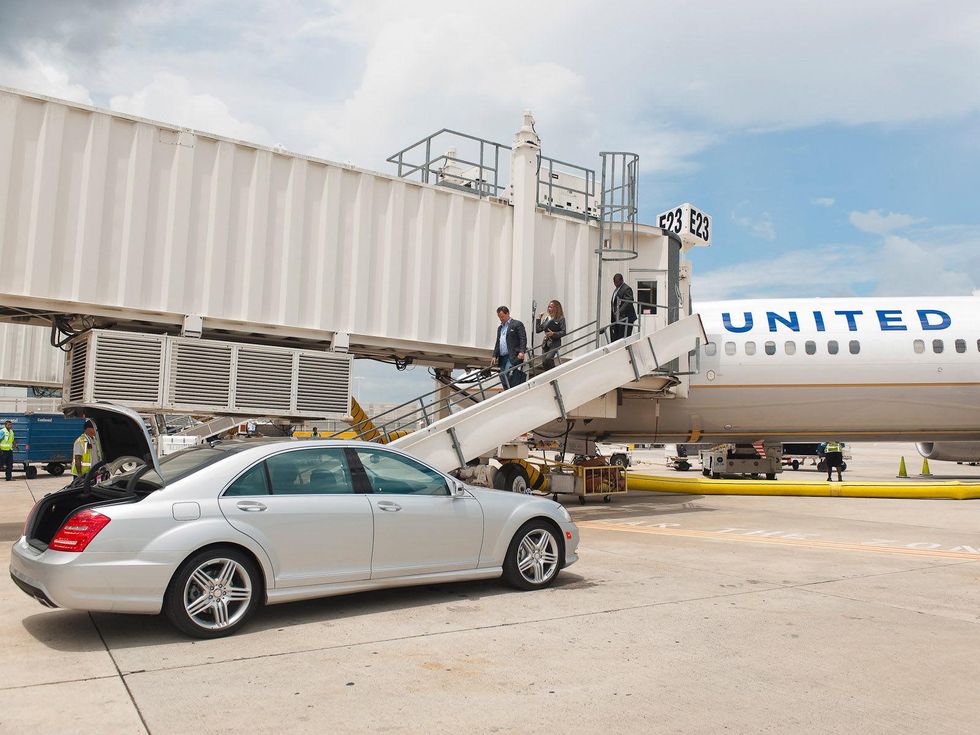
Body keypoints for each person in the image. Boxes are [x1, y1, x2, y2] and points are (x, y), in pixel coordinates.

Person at [491, 305, 527, 389]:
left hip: (513, 355)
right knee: (502, 375)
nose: (501, 319)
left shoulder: (517, 324)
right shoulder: (500, 328)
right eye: (499, 317)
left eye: (502, 316)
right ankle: (507, 390)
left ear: (507, 314)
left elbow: (523, 338)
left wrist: (522, 351)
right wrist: (494, 355)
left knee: (507, 372)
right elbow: (498, 342)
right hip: (503, 356)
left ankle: (511, 389)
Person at [535, 299, 567, 371]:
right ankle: (550, 378)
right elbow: (538, 330)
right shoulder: (547, 318)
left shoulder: (561, 318)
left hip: (555, 343)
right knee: (544, 362)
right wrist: (538, 319)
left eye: (551, 307)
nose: (549, 309)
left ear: (556, 308)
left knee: (548, 359)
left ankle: (555, 374)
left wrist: (553, 333)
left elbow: (563, 332)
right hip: (546, 343)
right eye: (549, 307)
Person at [609, 273, 637, 341]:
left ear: (622, 280)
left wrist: (619, 311)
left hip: (625, 318)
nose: (615, 284)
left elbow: (629, 301)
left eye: (617, 282)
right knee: (616, 339)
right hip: (617, 319)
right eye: (614, 282)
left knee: (622, 339)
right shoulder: (616, 290)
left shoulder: (626, 288)